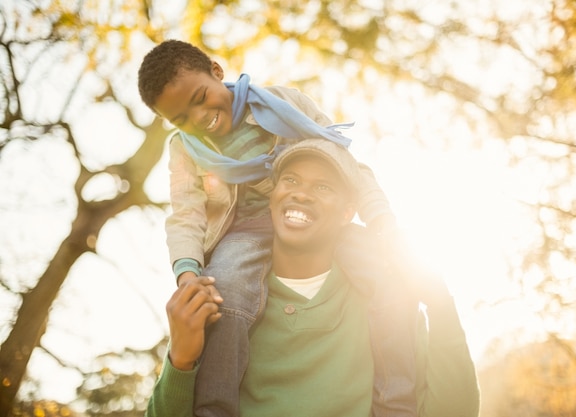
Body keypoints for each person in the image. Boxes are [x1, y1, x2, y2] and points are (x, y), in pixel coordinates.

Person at [137, 40, 409, 416]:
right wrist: (187, 272)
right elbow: (185, 214)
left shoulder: (285, 104)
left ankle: (398, 402)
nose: (198, 118)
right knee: (223, 293)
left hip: (313, 218)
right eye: (181, 118)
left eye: (200, 97)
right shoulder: (185, 151)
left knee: (387, 275)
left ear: (217, 71)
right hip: (244, 233)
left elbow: (343, 160)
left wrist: (380, 218)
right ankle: (214, 406)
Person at [145, 139, 480, 417]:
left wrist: (441, 307)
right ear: (272, 198)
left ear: (348, 212)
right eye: (290, 180)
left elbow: (453, 410)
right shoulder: (227, 304)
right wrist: (181, 361)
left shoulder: (386, 306)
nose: (301, 194)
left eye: (323, 186)